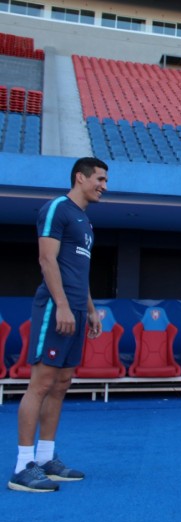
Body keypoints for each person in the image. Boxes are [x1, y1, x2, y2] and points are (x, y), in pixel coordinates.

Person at [8, 157, 109, 493]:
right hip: (55, 308)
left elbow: (79, 272)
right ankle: (23, 466)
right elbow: (46, 259)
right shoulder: (58, 209)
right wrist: (63, 305)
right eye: (99, 179)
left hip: (78, 311)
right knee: (42, 382)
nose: (103, 187)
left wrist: (91, 309)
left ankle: (47, 458)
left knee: (62, 382)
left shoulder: (85, 223)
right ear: (80, 177)